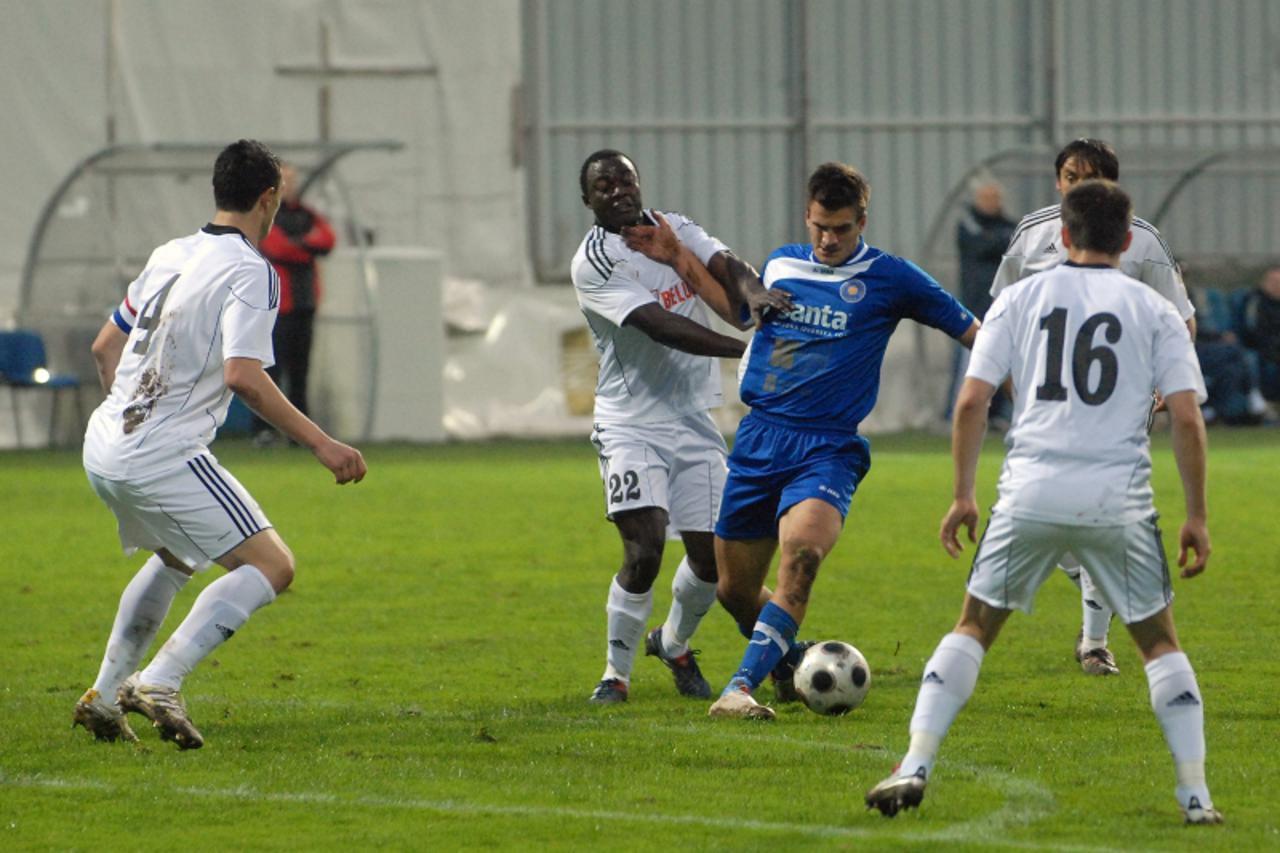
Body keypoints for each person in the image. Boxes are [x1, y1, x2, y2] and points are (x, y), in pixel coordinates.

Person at [866, 180, 1222, 825]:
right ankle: (1196, 796)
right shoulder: (1154, 310)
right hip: (1117, 499)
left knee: (973, 627)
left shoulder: (1021, 299)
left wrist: (962, 495)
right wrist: (1196, 515)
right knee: (1159, 645)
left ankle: (915, 762)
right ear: (1126, 238)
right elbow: (1189, 420)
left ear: (1063, 234)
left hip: (1029, 492)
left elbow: (972, 401)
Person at [73, 140, 367, 749]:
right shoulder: (252, 269)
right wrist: (322, 444)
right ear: (268, 198)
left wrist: (129, 417)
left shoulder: (170, 252)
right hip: (161, 452)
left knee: (178, 555)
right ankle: (159, 682)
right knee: (273, 566)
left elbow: (106, 347)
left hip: (103, 442)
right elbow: (243, 376)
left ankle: (104, 698)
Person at [700, 162, 979, 720]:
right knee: (733, 589)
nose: (829, 240)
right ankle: (792, 662)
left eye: (842, 229)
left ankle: (738, 689)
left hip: (827, 446)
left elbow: (974, 332)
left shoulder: (892, 277)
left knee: (801, 558)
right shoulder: (779, 265)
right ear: (808, 217)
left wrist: (1040, 388)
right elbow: (729, 299)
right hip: (758, 439)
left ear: (863, 222)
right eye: (821, 227)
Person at [570, 149, 788, 705]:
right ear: (587, 200)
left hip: (693, 418)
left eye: (625, 179)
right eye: (603, 186)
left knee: (711, 562)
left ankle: (673, 643)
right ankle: (614, 676)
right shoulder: (594, 262)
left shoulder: (674, 228)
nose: (618, 190)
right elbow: (659, 325)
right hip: (630, 422)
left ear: (639, 183)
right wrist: (745, 348)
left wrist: (755, 292)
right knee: (644, 547)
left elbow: (725, 265)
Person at [990, 138, 1196, 676]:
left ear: (1111, 186)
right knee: (1057, 523)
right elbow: (1000, 316)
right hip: (1045, 404)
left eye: (1089, 177)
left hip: (1117, 407)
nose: (1076, 185)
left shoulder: (1143, 243)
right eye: (1069, 175)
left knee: (1100, 513)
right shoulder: (1030, 236)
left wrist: (1163, 384)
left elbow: (1182, 318)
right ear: (1057, 181)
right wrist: (1012, 382)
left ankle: (1095, 642)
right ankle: (1093, 586)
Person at [251, 162, 336, 444]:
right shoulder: (265, 216)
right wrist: (306, 248)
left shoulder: (307, 214)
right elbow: (276, 246)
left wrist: (298, 246)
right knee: (270, 370)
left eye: (292, 181)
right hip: (276, 306)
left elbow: (327, 238)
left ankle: (299, 433)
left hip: (304, 304)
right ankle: (264, 429)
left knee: (300, 372)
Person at [946, 177, 1015, 426]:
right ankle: (954, 415)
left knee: (1009, 362)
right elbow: (983, 245)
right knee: (969, 362)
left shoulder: (1010, 225)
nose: (992, 202)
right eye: (986, 197)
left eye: (995, 197)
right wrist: (1002, 241)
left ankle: (1000, 414)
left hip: (1004, 307)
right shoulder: (968, 224)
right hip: (974, 308)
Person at [1238, 264, 1280, 404]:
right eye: (1273, 282)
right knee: (1253, 361)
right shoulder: (1254, 301)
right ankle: (1259, 401)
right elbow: (1250, 329)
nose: (1276, 286)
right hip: (1258, 348)